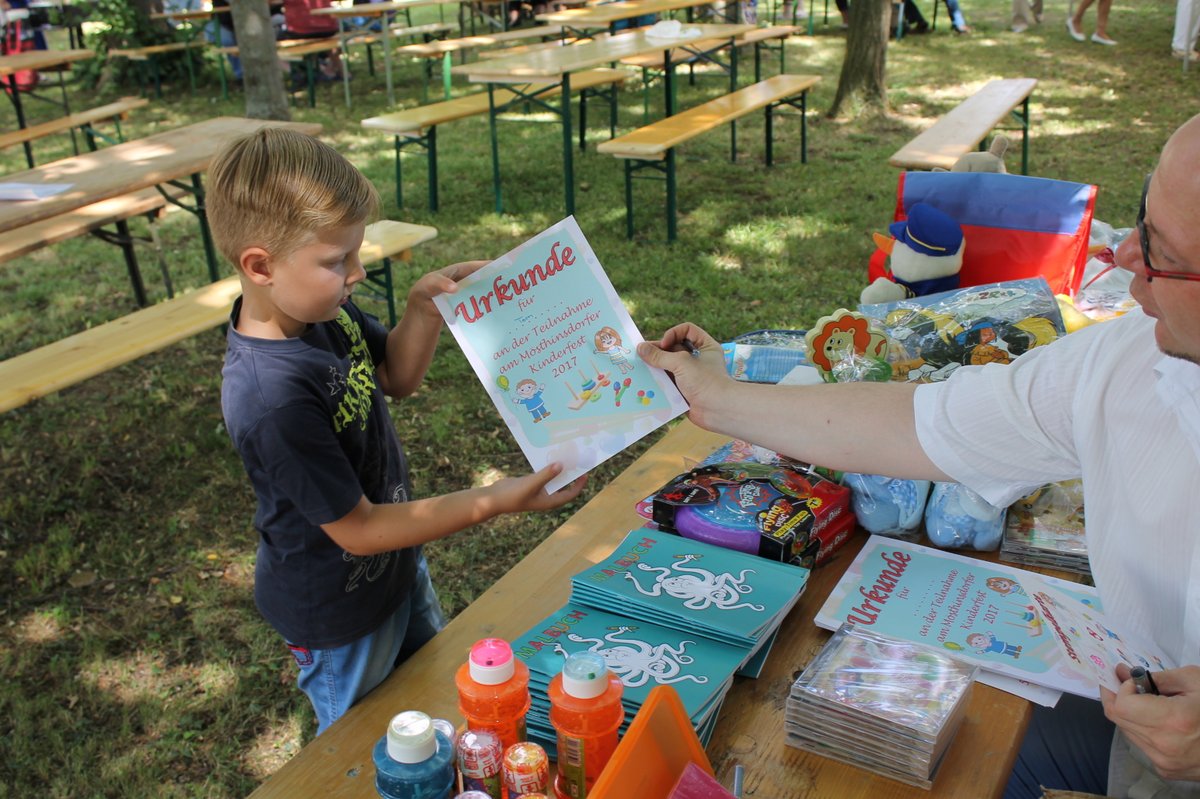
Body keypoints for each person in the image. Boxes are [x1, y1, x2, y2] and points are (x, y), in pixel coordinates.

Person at [638, 112, 1200, 798]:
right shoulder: (1126, 360)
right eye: (1141, 222)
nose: (1125, 260)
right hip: (1136, 709)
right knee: (939, 748)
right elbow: (923, 423)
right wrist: (719, 401)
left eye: (1162, 252)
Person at [208, 128, 586, 735]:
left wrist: (421, 311)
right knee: (373, 747)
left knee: (431, 695)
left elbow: (394, 376)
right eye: (337, 261)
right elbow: (357, 530)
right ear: (260, 265)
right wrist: (495, 500)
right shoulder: (269, 398)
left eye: (355, 253)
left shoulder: (320, 310)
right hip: (337, 615)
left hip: (395, 569)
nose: (357, 271)